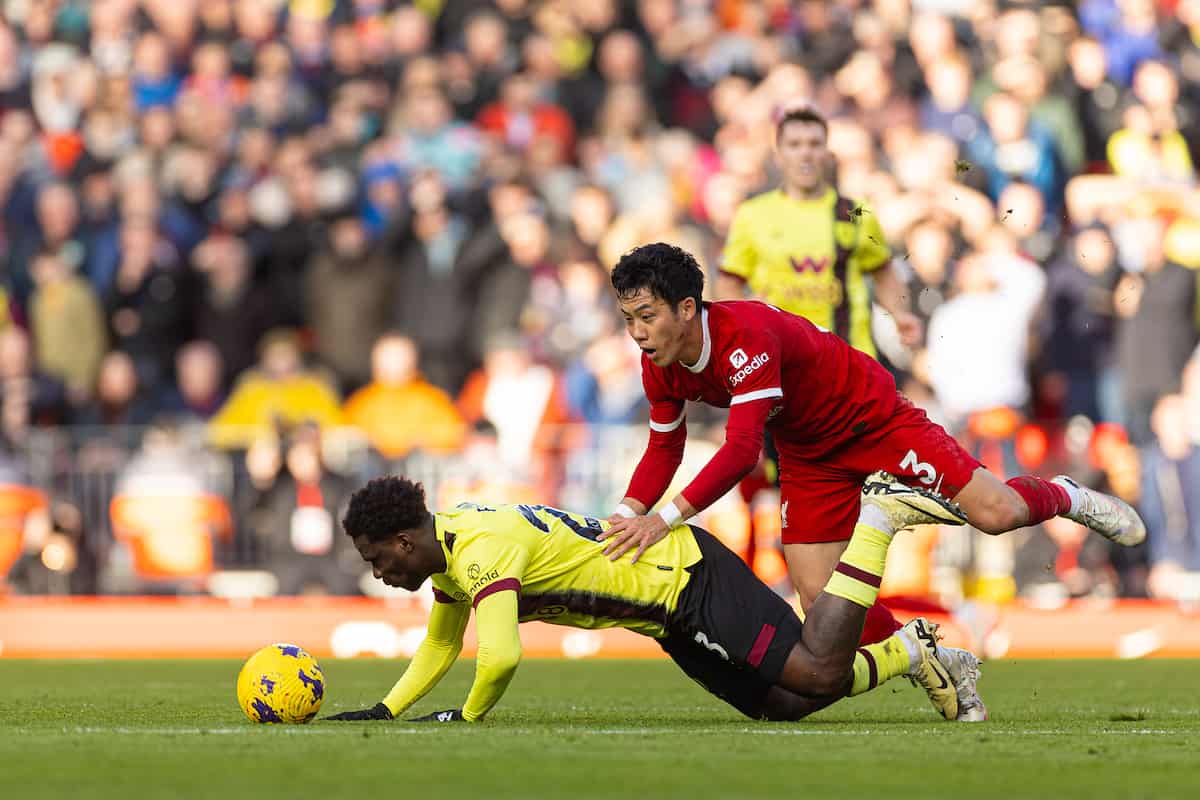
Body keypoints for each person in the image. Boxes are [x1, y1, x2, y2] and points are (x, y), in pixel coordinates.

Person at [597, 242, 1146, 707]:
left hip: (870, 418)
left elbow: (741, 451)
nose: (637, 333)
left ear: (688, 309)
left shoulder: (745, 336)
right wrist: (623, 517)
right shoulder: (659, 366)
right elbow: (663, 449)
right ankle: (927, 653)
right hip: (808, 454)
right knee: (827, 608)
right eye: (628, 320)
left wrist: (662, 520)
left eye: (647, 317)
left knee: (997, 513)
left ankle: (1064, 495)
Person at [325, 472, 986, 723]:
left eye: (376, 557)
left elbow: (497, 657)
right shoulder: (449, 553)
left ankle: (878, 525)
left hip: (688, 573)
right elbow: (444, 642)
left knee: (815, 671)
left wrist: (464, 720)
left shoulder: (477, 550)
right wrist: (385, 711)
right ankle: (910, 651)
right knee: (783, 706)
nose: (376, 571)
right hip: (667, 616)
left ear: (405, 541)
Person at [716, 104, 921, 358]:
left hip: (849, 361)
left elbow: (884, 271)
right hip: (783, 361)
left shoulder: (855, 214)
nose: (805, 153)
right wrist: (747, 317)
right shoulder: (752, 215)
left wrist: (900, 313)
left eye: (814, 144)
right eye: (795, 145)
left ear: (827, 152)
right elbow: (728, 282)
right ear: (779, 154)